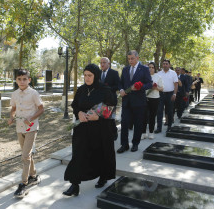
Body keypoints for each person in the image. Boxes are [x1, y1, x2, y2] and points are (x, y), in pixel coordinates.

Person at [63, 64, 116, 196]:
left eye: (90, 75)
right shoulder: (81, 89)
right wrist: (79, 113)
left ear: (96, 76)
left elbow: (111, 109)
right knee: (78, 154)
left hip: (100, 130)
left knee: (100, 154)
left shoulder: (105, 90)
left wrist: (97, 117)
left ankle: (103, 176)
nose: (87, 78)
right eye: (85, 75)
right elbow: (75, 106)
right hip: (83, 129)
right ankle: (74, 184)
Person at [8, 69, 45, 198]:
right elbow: (13, 109)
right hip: (19, 128)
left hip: (31, 127)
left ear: (29, 80)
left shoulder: (34, 93)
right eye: (19, 79)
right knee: (27, 155)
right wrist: (11, 117)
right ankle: (33, 176)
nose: (22, 81)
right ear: (16, 80)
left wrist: (31, 118)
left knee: (25, 155)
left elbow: (41, 109)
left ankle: (23, 184)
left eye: (24, 79)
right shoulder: (14, 94)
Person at [117, 50, 152, 153]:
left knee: (138, 124)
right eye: (129, 59)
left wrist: (140, 87)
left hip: (139, 102)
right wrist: (121, 90)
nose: (130, 60)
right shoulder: (125, 69)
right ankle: (124, 145)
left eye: (132, 58)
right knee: (124, 123)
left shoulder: (144, 69)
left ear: (137, 58)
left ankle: (135, 144)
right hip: (126, 101)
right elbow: (120, 83)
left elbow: (149, 83)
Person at [155, 59, 178, 134]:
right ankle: (159, 128)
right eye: (164, 63)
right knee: (159, 111)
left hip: (170, 94)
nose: (165, 65)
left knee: (169, 111)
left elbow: (176, 84)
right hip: (160, 94)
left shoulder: (173, 73)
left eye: (166, 64)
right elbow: (156, 84)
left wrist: (174, 94)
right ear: (162, 65)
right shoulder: (159, 73)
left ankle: (169, 126)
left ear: (169, 65)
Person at [100, 57, 120, 140]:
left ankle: (114, 134)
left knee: (110, 119)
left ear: (109, 64)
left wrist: (109, 88)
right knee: (101, 119)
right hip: (100, 100)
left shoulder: (114, 73)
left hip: (111, 100)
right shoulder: (98, 73)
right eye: (101, 62)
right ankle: (104, 134)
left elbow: (118, 85)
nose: (102, 64)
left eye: (104, 62)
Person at [142, 62, 163, 139]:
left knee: (152, 116)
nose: (150, 69)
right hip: (144, 98)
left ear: (155, 68)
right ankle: (143, 133)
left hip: (154, 98)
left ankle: (151, 132)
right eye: (149, 67)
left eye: (152, 67)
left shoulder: (158, 77)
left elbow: (162, 88)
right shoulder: (144, 76)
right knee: (144, 116)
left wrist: (156, 88)